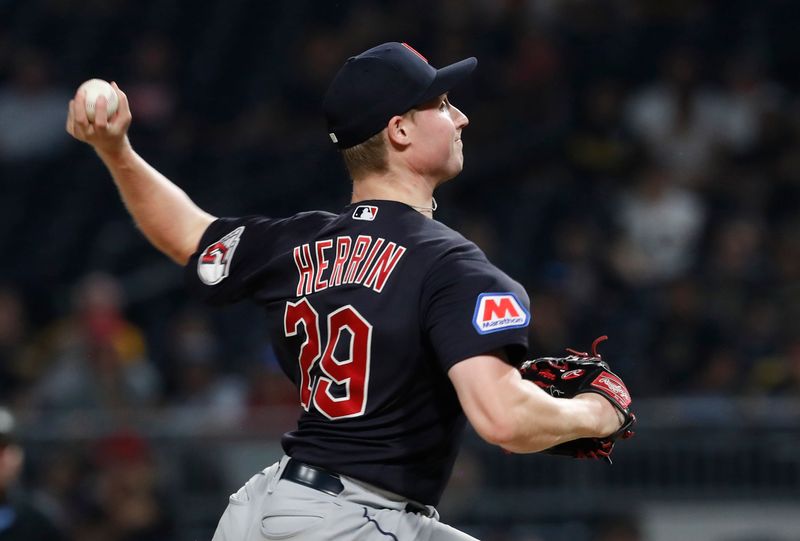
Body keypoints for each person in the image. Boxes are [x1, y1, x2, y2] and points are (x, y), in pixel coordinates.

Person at [66, 41, 625, 541]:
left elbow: (189, 235)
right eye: (442, 105)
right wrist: (597, 414)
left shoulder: (295, 241)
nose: (461, 117)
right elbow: (503, 419)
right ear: (400, 130)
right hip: (350, 517)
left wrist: (118, 152)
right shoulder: (453, 266)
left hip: (280, 505)